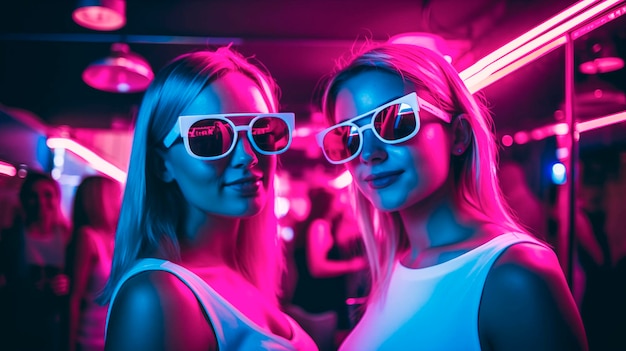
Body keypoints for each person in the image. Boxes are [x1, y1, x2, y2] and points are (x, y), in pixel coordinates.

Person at [315, 42, 588, 350]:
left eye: (395, 121)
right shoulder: (396, 265)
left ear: (458, 134)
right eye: (348, 137)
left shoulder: (514, 275)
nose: (368, 153)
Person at [99, 47, 317, 351]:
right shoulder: (156, 296)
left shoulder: (239, 274)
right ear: (162, 164)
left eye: (262, 131)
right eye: (210, 137)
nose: (248, 156)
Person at [0, 170, 72, 351]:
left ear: (57, 198)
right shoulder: (12, 238)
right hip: (17, 326)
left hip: (55, 329)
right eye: (33, 196)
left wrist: (68, 284)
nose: (41, 202)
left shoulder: (68, 238)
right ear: (24, 200)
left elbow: (80, 287)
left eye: (47, 195)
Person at [67, 175, 122, 351]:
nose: (120, 202)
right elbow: (74, 297)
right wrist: (69, 344)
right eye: (115, 196)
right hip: (90, 339)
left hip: (115, 337)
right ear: (101, 201)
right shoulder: (88, 237)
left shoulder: (117, 239)